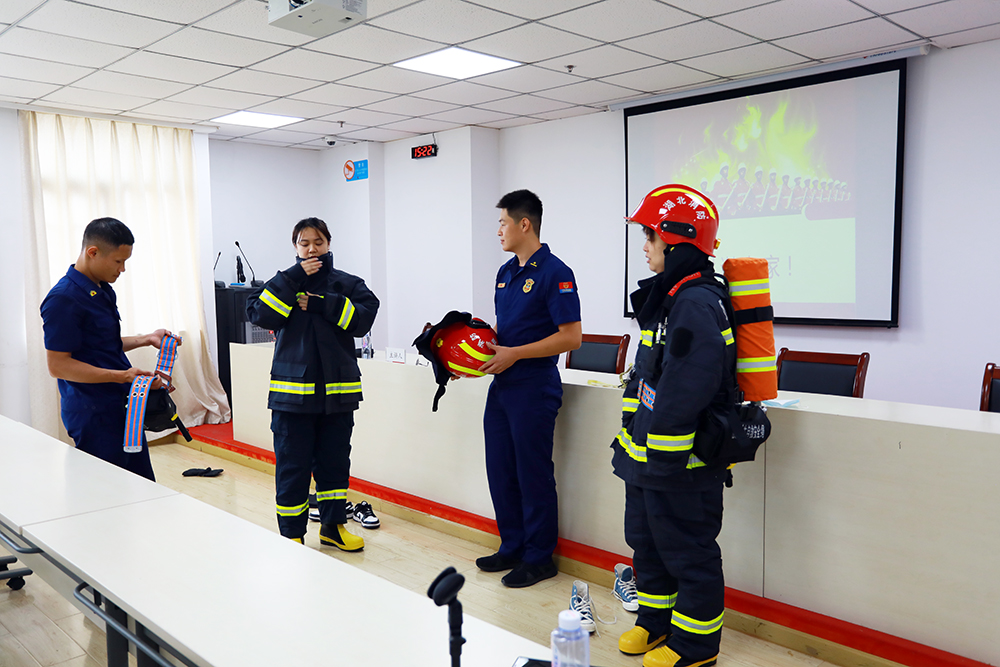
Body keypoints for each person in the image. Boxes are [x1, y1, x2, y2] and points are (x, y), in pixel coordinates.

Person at [613, 185, 735, 667]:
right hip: (650, 459)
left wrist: (662, 460)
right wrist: (634, 440)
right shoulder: (669, 297)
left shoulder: (695, 303)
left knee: (688, 551)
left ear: (678, 240)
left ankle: (695, 646)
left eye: (651, 236)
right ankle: (655, 622)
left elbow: (688, 388)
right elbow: (649, 376)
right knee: (648, 544)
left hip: (681, 464)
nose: (645, 246)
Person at [246, 217, 379, 549]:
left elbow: (364, 319)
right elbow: (260, 314)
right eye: (304, 243)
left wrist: (324, 305)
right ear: (295, 247)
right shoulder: (283, 284)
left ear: (329, 244)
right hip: (292, 400)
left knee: (335, 465)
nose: (312, 249)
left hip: (338, 397)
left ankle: (332, 528)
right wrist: (292, 278)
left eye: (318, 242)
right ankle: (292, 536)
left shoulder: (347, 284)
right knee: (293, 467)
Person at [475, 189, 582, 588]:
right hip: (502, 386)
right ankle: (513, 546)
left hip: (534, 387)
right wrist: (468, 353)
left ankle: (539, 558)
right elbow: (504, 329)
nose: (498, 231)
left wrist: (515, 354)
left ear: (524, 224)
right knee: (501, 470)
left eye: (503, 222)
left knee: (532, 473)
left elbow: (571, 337)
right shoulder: (505, 273)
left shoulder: (556, 272)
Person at [41, 217, 177, 481]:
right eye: (118, 261)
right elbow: (58, 365)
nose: (122, 269)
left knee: (141, 484)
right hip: (93, 412)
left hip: (122, 405)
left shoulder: (101, 289)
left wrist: (146, 339)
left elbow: (104, 343)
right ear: (93, 252)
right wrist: (123, 376)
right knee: (107, 490)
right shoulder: (63, 299)